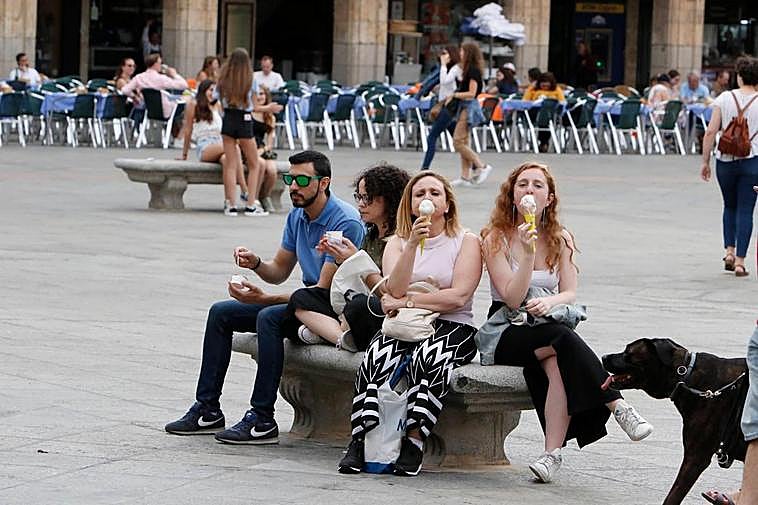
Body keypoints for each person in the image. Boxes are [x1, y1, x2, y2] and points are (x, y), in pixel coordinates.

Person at [165, 150, 365, 444]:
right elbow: (280, 271)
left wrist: (262, 299)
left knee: (268, 317)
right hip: (306, 300)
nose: (292, 186)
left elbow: (321, 291)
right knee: (221, 313)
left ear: (324, 183)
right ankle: (207, 409)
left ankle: (262, 417)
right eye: (289, 178)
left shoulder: (345, 221)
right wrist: (256, 263)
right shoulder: (299, 214)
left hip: (331, 308)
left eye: (300, 179)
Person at [480, 162, 653, 483]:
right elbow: (512, 298)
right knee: (561, 339)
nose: (529, 190)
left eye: (537, 185)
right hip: (507, 329)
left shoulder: (561, 238)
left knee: (557, 361)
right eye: (522, 185)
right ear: (512, 195)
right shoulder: (495, 238)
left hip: (546, 327)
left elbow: (570, 292)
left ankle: (551, 455)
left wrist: (550, 300)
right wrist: (529, 254)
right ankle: (616, 403)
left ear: (549, 198)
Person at [338, 171, 482, 476]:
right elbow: (394, 290)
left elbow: (458, 297)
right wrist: (413, 245)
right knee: (376, 356)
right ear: (411, 204)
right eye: (419, 194)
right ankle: (360, 436)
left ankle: (415, 440)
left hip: (453, 325)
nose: (427, 198)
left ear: (447, 204)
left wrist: (407, 303)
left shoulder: (466, 241)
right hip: (405, 324)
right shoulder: (399, 242)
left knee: (429, 357)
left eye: (434, 193)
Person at [288, 163, 410, 351]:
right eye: (359, 197)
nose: (360, 204)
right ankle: (341, 337)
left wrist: (356, 260)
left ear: (389, 199)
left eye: (367, 198)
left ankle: (330, 335)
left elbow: (389, 294)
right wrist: (340, 258)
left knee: (359, 306)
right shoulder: (371, 233)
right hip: (354, 302)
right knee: (301, 298)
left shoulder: (401, 238)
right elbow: (351, 281)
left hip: (386, 312)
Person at [700, 56, 758, 278]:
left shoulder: (724, 98)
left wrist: (705, 161)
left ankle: (729, 252)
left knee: (729, 206)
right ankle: (741, 262)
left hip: (725, 161)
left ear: (739, 76)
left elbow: (710, 131)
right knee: (746, 210)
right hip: (752, 162)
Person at [214, 48, 283, 216]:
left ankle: (230, 204)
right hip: (244, 119)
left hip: (229, 119)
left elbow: (217, 101)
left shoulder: (223, 79)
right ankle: (251, 203)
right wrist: (269, 107)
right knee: (254, 164)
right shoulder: (249, 79)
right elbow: (253, 107)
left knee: (230, 165)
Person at [177, 79, 248, 212]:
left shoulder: (218, 105)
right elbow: (188, 130)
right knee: (234, 148)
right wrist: (184, 154)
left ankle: (229, 202)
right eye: (210, 90)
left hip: (220, 141)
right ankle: (245, 189)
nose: (212, 94)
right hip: (205, 145)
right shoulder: (193, 104)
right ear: (203, 91)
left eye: (215, 91)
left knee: (227, 159)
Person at [447, 42, 493, 187]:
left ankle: (481, 166)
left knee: (458, 142)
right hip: (465, 107)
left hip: (469, 107)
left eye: (462, 51)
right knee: (464, 142)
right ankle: (465, 176)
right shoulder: (469, 70)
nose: (460, 53)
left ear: (468, 53)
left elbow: (472, 93)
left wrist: (455, 94)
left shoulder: (473, 71)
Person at [420, 45, 461, 171]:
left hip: (449, 107)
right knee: (458, 140)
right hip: (445, 105)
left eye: (445, 53)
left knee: (432, 136)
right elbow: (436, 83)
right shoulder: (446, 69)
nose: (442, 56)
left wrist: (443, 65)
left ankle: (425, 167)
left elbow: (445, 81)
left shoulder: (455, 68)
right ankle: (476, 164)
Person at [121, 53, 188, 120]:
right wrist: (174, 75)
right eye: (160, 63)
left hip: (149, 110)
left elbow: (124, 90)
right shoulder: (161, 78)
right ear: (155, 64)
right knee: (187, 100)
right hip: (164, 111)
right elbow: (184, 85)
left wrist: (133, 96)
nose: (161, 66)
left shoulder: (139, 77)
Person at [249, 86, 279, 214]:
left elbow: (270, 141)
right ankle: (254, 198)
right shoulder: (249, 113)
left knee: (272, 171)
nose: (260, 97)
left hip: (262, 148)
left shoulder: (270, 117)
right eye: (257, 94)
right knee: (259, 164)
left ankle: (265, 196)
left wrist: (264, 149)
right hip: (249, 147)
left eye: (262, 94)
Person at [524, 72, 566, 152]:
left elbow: (562, 101)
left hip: (551, 116)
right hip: (535, 114)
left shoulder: (556, 90)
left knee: (547, 122)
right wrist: (530, 88)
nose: (545, 85)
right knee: (540, 120)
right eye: (543, 83)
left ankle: (544, 142)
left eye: (547, 83)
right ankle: (543, 143)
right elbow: (525, 101)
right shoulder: (533, 90)